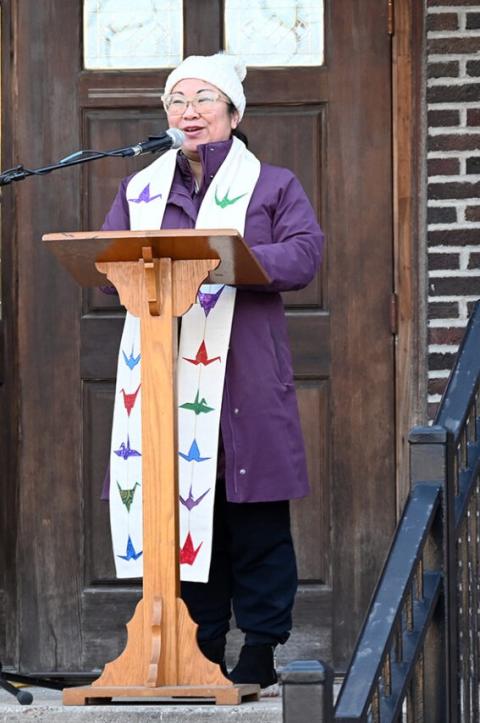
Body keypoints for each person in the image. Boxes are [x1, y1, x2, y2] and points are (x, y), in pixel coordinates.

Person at [102, 53, 324, 689]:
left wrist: (227, 262)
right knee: (180, 515)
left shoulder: (273, 185)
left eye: (204, 99)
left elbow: (303, 253)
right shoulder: (141, 190)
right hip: (166, 377)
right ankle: (197, 648)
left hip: (245, 377)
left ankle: (260, 648)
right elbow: (114, 257)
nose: (189, 111)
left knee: (253, 515)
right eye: (177, 100)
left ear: (234, 112)